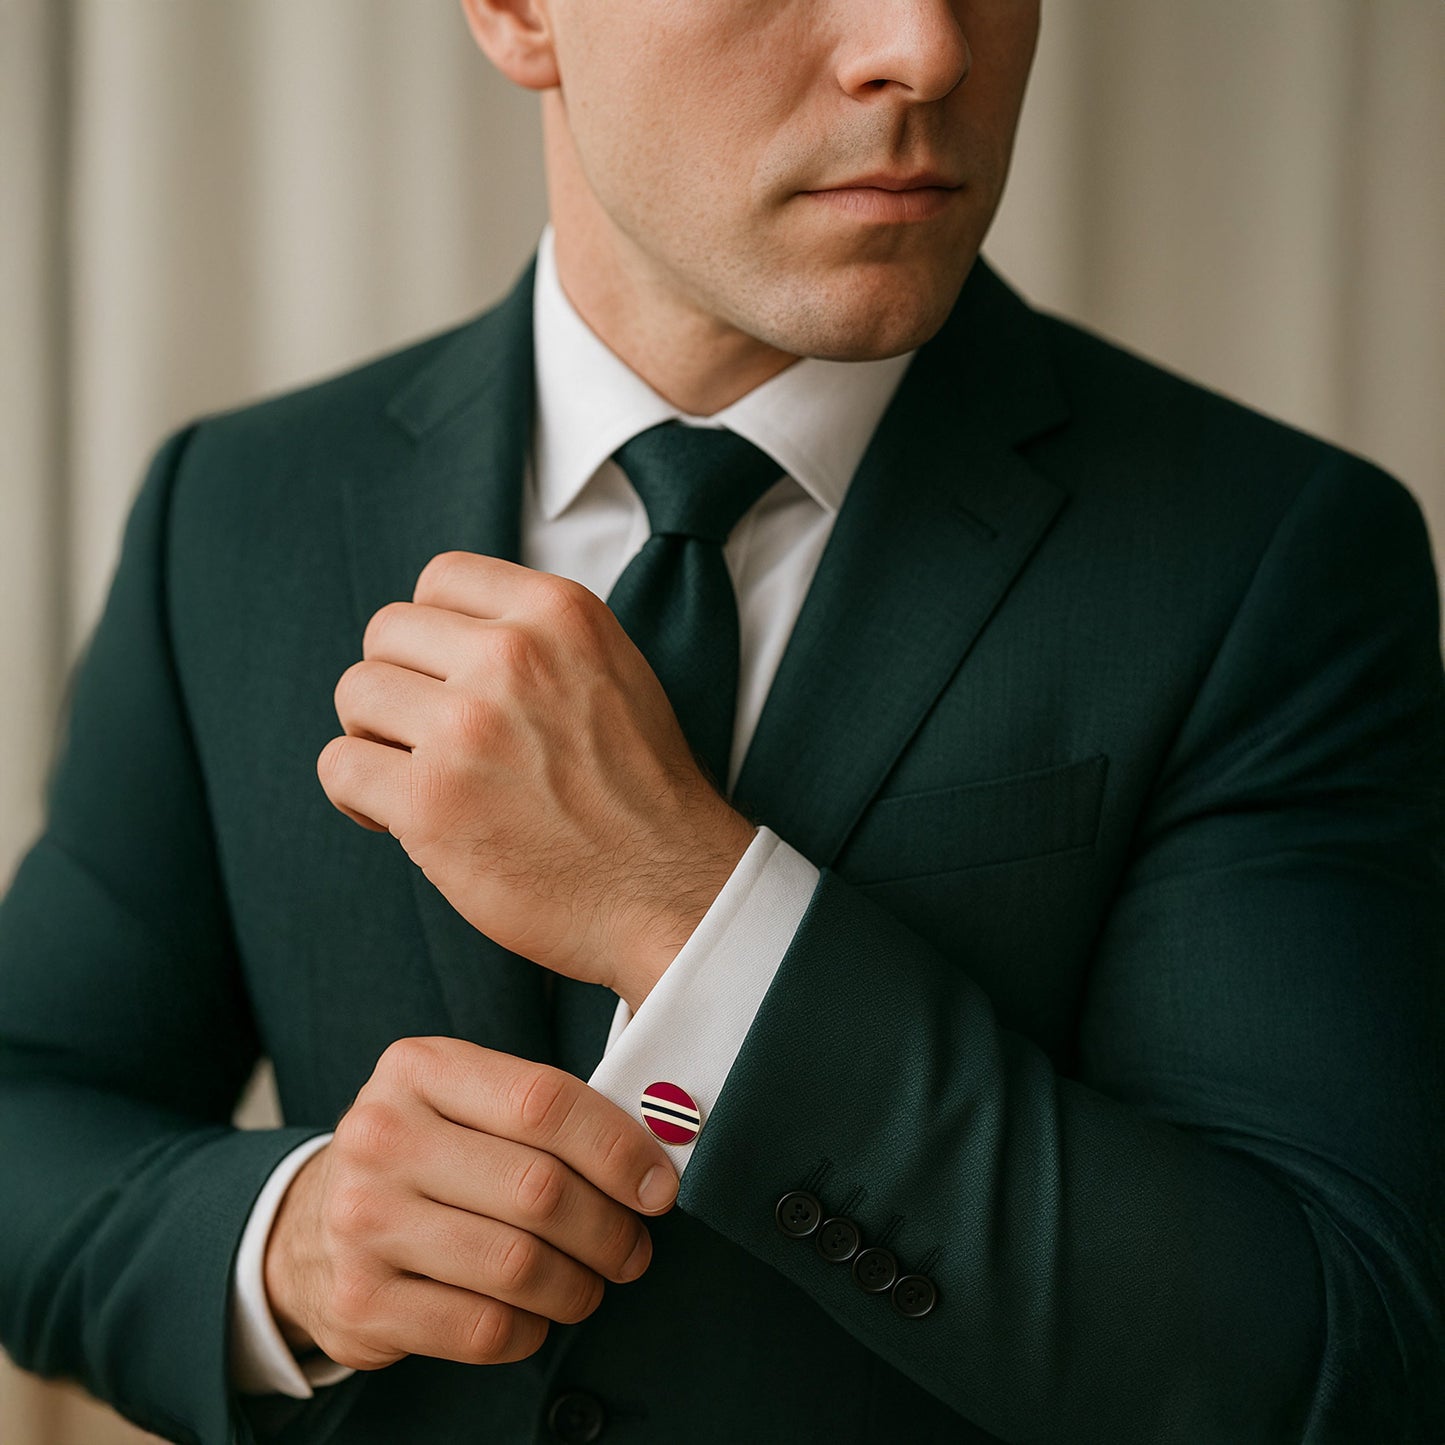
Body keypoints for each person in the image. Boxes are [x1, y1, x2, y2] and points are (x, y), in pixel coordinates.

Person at [0, 0, 1440, 1441]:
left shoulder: (1271, 558)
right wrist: (284, 1244)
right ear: (514, 12)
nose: (923, 50)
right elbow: (31, 1112)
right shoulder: (236, 507)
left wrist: (689, 908)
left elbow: (1332, 1356)